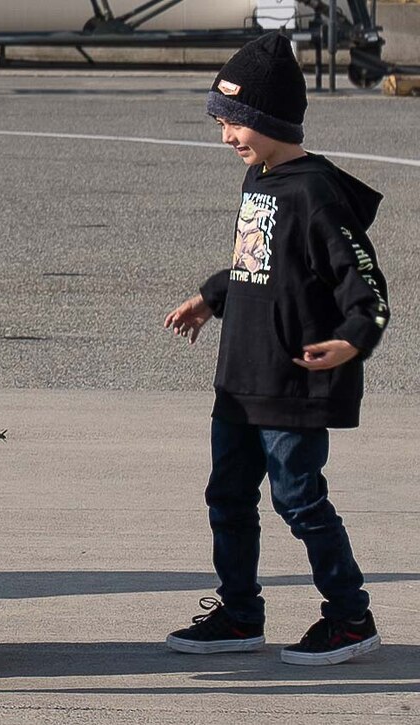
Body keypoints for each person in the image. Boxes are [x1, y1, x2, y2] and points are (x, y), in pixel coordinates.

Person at [163, 32, 390, 666]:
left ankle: (350, 617)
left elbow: (366, 286)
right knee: (228, 497)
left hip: (293, 383)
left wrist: (353, 339)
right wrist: (212, 297)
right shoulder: (261, 180)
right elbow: (255, 262)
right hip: (241, 377)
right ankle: (239, 614)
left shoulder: (315, 194)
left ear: (269, 119)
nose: (226, 136)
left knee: (299, 499)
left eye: (234, 122)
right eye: (223, 122)